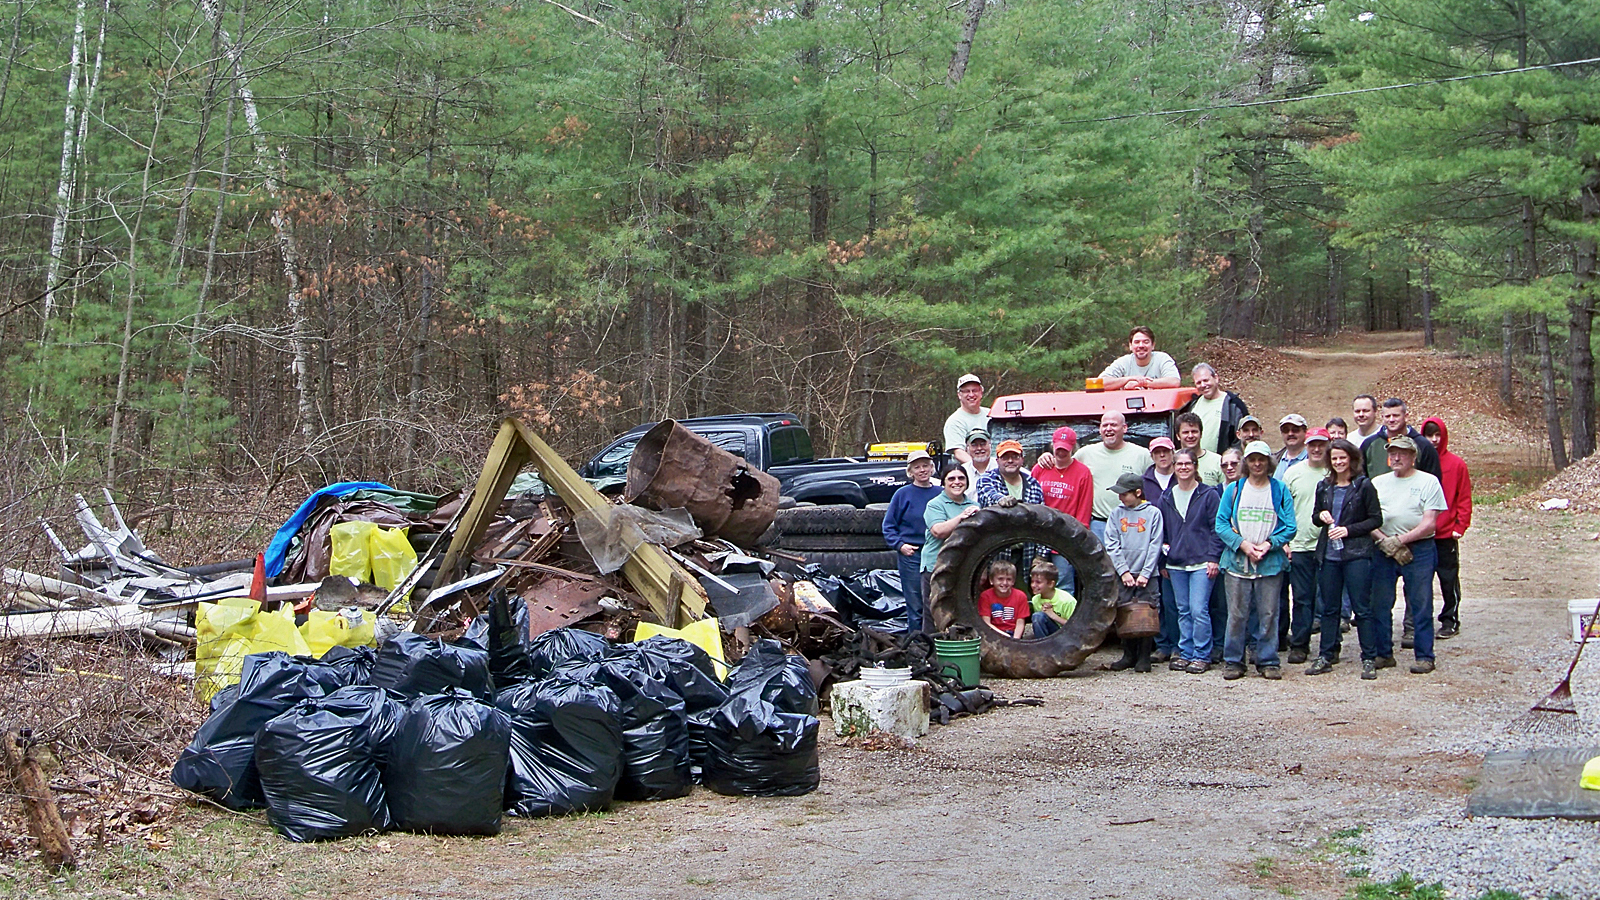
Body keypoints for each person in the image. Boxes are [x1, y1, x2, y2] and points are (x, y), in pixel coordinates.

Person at [1214, 441, 1297, 681]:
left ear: (1269, 462)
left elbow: (1290, 526)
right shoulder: (1234, 489)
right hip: (1237, 562)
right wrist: (1243, 545)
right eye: (1252, 459)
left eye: (1261, 459)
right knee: (1236, 614)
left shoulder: (1279, 490)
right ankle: (1234, 661)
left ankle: (1268, 660)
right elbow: (1221, 523)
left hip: (1269, 563)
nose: (1257, 464)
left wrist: (1270, 544)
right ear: (1246, 463)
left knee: (1269, 614)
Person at [1370, 435, 1449, 674]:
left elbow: (1430, 523)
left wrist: (1400, 541)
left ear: (1413, 457)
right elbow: (1368, 518)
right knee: (1380, 603)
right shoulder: (1378, 483)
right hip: (1383, 548)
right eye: (1392, 453)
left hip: (1419, 548)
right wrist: (1384, 541)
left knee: (1420, 602)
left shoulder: (1428, 482)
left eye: (1402, 453)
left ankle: (1424, 656)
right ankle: (1383, 653)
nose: (1396, 458)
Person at [1309, 438, 1384, 678]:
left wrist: (1349, 530)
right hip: (1329, 555)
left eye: (1343, 457)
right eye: (1335, 458)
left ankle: (1369, 657)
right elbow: (1315, 517)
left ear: (1351, 459)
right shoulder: (1324, 486)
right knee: (1329, 608)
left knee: (1362, 608)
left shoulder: (1364, 486)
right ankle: (1326, 655)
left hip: (1357, 554)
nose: (1339, 462)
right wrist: (1321, 516)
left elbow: (1376, 519)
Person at [1158, 449, 1223, 674]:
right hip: (1176, 563)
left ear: (1195, 466)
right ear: (1174, 468)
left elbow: (1216, 529)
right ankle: (1185, 652)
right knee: (1183, 610)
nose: (1183, 468)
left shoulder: (1208, 494)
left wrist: (1213, 558)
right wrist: (1162, 562)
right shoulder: (1166, 497)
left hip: (1202, 562)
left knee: (1198, 609)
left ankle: (1202, 654)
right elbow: (1162, 533)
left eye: (1188, 463)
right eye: (1179, 464)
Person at [1102, 472, 1164, 672]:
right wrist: (1123, 571)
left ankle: (1144, 656)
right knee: (1124, 611)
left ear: (1138, 492)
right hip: (1125, 574)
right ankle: (1128, 654)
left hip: (1147, 574)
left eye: (1124, 494)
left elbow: (1155, 544)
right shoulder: (1116, 514)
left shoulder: (1153, 513)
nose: (1120, 497)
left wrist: (1146, 572)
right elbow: (1112, 544)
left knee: (1147, 613)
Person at [1281, 428, 1330, 664]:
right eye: (1312, 444)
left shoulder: (1335, 472)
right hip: (1300, 544)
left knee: (1329, 599)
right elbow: (1282, 509)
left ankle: (1330, 646)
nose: (1317, 449)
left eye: (1321, 444)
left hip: (1330, 545)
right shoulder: (1293, 473)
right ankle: (1300, 644)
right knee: (1302, 598)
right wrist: (1285, 541)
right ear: (1306, 446)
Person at [1422, 417, 1472, 639]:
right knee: (1420, 581)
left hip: (1446, 534)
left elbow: (1464, 497)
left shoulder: (1456, 464)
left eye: (1437, 435)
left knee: (1448, 579)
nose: (1434, 440)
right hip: (1422, 533)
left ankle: (1450, 619)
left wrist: (1460, 525)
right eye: (1429, 435)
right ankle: (1420, 621)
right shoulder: (1417, 463)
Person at [882, 449, 942, 635]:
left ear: (932, 468)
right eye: (917, 467)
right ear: (910, 472)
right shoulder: (902, 494)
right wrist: (900, 545)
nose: (922, 470)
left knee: (936, 601)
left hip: (937, 553)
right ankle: (916, 643)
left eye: (925, 466)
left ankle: (938, 642)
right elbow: (888, 525)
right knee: (916, 604)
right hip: (912, 554)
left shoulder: (941, 493)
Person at [1073, 412, 1153, 542]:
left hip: (1132, 523)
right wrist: (1047, 458)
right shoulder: (1085, 453)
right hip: (1098, 525)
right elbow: (1064, 467)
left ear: (1124, 428)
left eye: (1114, 425)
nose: (1108, 429)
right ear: (1100, 429)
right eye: (1105, 425)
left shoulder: (1142, 455)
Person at [1032, 426, 1094, 588]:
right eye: (1058, 448)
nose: (1061, 452)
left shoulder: (1083, 472)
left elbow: (1084, 508)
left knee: (1063, 583)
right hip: (1040, 535)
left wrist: (1079, 536)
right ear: (1053, 445)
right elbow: (1030, 501)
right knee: (1036, 583)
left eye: (1065, 449)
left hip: (1065, 537)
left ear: (1073, 448)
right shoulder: (1040, 468)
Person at [922, 465, 980, 612]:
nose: (957, 482)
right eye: (951, 479)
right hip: (936, 566)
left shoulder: (974, 506)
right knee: (935, 613)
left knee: (963, 612)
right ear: (943, 483)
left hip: (964, 568)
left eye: (961, 478)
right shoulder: (935, 504)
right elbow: (938, 531)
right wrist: (962, 517)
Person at [1208, 445, 1246, 662]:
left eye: (1234, 463)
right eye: (1225, 465)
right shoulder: (1215, 492)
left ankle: (1250, 645)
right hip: (1221, 554)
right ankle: (1221, 644)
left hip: (1248, 552)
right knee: (1221, 603)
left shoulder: (1251, 488)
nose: (1229, 468)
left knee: (1248, 604)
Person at [1143, 436, 1178, 661]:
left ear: (1173, 453)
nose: (1162, 455)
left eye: (1166, 451)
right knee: (1158, 601)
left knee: (1175, 603)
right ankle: (1162, 644)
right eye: (1157, 452)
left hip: (1179, 546)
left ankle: (1177, 645)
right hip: (1151, 548)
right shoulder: (1144, 483)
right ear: (1152, 456)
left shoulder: (1182, 477)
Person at [1180, 362, 1252, 453]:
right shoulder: (1192, 405)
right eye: (1198, 382)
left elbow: (1243, 437)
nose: (1203, 385)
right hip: (1194, 459)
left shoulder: (1233, 405)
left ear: (1216, 378)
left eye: (1206, 380)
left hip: (1224, 460)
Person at [1364, 398, 1442, 479]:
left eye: (1396, 415)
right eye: (1387, 416)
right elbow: (1360, 478)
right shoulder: (1369, 445)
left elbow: (1433, 480)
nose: (1391, 420)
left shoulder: (1423, 446)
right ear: (1382, 417)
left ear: (1406, 416)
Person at [1098, 326, 1181, 390]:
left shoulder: (1162, 358)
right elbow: (1100, 384)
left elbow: (1174, 381)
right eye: (1137, 342)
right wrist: (1129, 379)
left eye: (1146, 342)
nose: (1141, 345)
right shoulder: (1123, 362)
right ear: (1130, 346)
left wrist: (1142, 383)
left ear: (1153, 345)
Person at [976, 440, 1044, 507]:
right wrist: (1002, 500)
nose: (1010, 460)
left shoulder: (1033, 484)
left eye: (1015, 457)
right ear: (997, 461)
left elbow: (1040, 509)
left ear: (1022, 460)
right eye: (1005, 457)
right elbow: (988, 496)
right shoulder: (986, 480)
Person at [944, 374, 989, 465]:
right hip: (967, 470)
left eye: (975, 390)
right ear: (959, 395)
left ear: (981, 392)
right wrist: (980, 468)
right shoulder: (955, 421)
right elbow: (958, 453)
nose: (971, 395)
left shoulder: (991, 415)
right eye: (966, 391)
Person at [979, 559, 1028, 639]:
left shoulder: (1021, 596)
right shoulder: (985, 596)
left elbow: (1020, 623)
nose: (1005, 583)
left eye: (1009, 579)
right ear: (991, 580)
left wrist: (1015, 640)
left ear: (1013, 581)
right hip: (993, 632)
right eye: (1000, 579)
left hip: (1013, 633)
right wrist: (1004, 637)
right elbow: (986, 622)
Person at [1029, 558, 1077, 638]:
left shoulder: (1066, 600)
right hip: (1050, 633)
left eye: (1038, 582)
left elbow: (1075, 626)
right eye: (1032, 581)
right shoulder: (1035, 599)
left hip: (1067, 635)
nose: (1033, 585)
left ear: (1051, 584)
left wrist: (1053, 615)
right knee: (1038, 616)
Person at [1176, 412, 1225, 486]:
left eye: (1194, 431)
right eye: (1186, 432)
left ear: (1201, 434)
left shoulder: (1218, 461)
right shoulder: (1172, 460)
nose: (1190, 436)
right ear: (1178, 436)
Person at [1273, 414, 1309, 479]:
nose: (1290, 434)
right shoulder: (1274, 460)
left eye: (1295, 430)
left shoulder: (1312, 459)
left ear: (1305, 432)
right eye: (1286, 430)